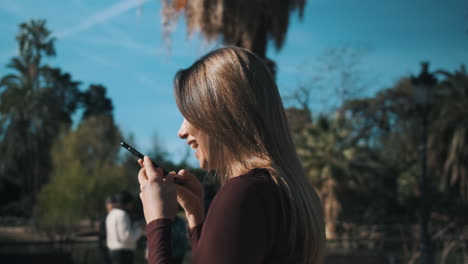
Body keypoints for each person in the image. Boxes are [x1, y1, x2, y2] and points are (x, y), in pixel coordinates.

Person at [137, 47, 326, 264]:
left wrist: (157, 221)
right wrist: (196, 217)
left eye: (189, 115)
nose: (181, 132)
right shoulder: (284, 190)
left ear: (220, 116)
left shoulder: (244, 193)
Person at [106, 191, 144, 264]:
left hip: (113, 251)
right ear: (128, 203)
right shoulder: (122, 214)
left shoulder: (111, 214)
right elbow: (126, 237)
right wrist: (140, 230)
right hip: (123, 253)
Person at [99, 195, 116, 264]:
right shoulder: (105, 216)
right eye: (110, 204)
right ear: (107, 205)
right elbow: (102, 232)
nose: (112, 205)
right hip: (105, 245)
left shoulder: (116, 215)